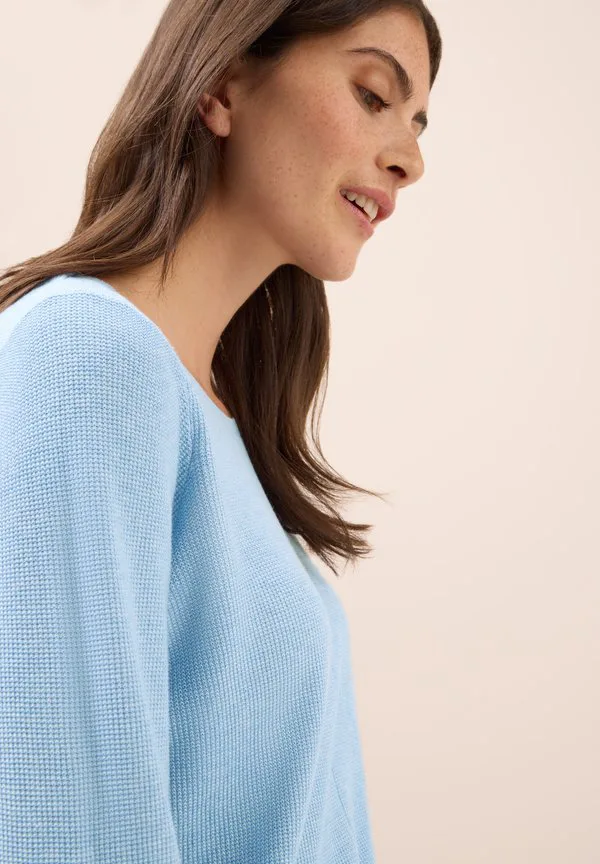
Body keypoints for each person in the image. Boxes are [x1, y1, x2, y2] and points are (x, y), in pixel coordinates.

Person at [0, 0, 442, 861]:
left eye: (419, 124)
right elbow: (61, 819)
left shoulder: (213, 419)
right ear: (224, 85)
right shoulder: (86, 356)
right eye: (372, 94)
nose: (411, 159)